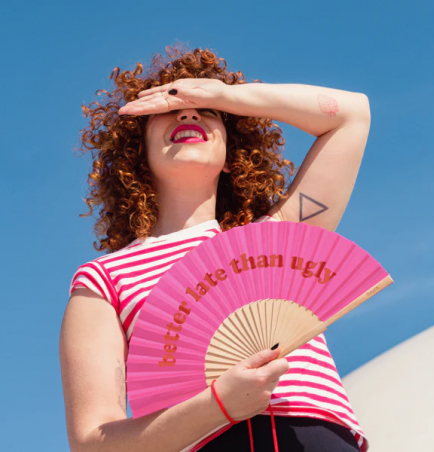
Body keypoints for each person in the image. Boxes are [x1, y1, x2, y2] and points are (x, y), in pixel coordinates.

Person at [59, 44, 371, 452]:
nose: (188, 113)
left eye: (207, 112)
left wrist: (225, 95)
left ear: (231, 157)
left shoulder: (278, 238)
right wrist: (218, 406)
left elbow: (351, 114)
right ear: (138, 154)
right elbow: (92, 443)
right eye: (168, 109)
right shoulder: (105, 280)